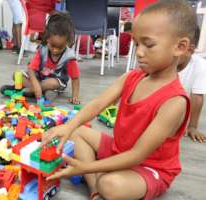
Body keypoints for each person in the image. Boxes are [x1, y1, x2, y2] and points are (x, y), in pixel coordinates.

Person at [42, 1, 195, 199]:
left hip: (149, 167)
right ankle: (95, 189)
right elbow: (97, 104)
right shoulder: (132, 77)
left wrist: (85, 167)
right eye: (136, 44)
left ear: (180, 47)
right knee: (77, 131)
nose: (139, 52)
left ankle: (97, 181)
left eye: (148, 44)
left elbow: (138, 155)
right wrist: (68, 126)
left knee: (111, 184)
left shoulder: (175, 101)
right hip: (119, 149)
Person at [0, 12, 81, 104]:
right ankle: (37, 91)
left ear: (67, 42)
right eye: (53, 45)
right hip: (38, 79)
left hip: (55, 82)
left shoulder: (69, 57)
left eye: (60, 47)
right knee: (16, 74)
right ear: (47, 39)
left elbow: (75, 78)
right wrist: (35, 85)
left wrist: (75, 95)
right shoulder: (42, 49)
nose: (55, 50)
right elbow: (31, 69)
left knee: (52, 83)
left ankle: (27, 90)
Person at [178, 27, 206, 142]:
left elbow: (197, 96)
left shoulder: (200, 65)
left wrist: (192, 126)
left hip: (180, 114)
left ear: (189, 49)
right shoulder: (163, 61)